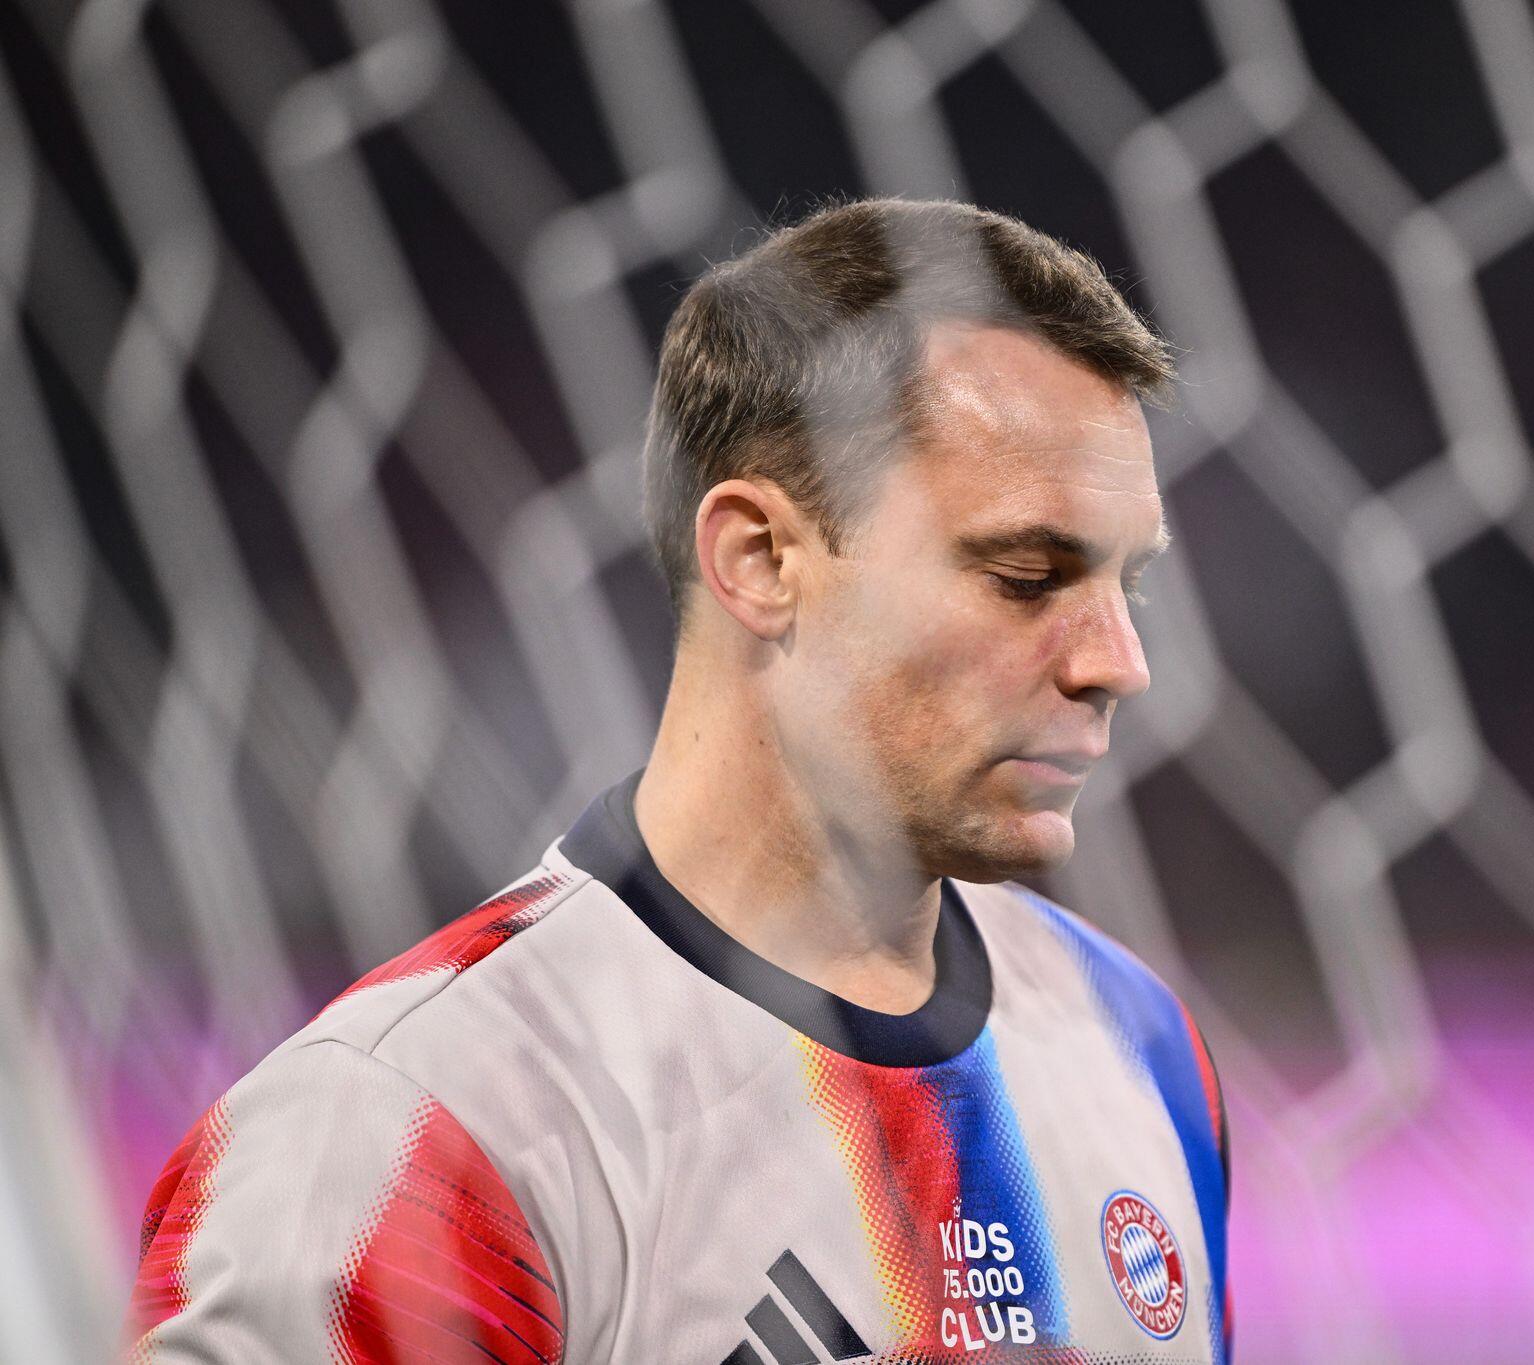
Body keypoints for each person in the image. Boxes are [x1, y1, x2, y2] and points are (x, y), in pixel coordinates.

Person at [126, 198, 1230, 1363]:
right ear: (759, 559)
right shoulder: (403, 1135)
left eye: (1126, 584)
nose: (1119, 663)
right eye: (1026, 575)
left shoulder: (1137, 1043)